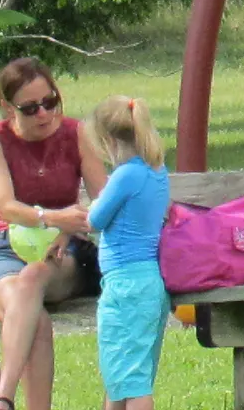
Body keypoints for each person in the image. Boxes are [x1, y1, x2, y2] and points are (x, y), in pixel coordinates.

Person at [0, 58, 107, 410]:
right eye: (30, 108)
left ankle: (2, 398)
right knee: (33, 315)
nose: (44, 114)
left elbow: (105, 201)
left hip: (62, 253)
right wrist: (52, 218)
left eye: (49, 102)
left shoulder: (77, 134)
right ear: (7, 107)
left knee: (32, 278)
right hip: (4, 248)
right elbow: (5, 207)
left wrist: (70, 226)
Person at [82, 95, 171, 410]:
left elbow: (95, 219)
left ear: (107, 140)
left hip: (125, 286)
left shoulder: (125, 175)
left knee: (131, 384)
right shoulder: (157, 171)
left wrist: (91, 204)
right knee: (122, 377)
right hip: (150, 283)